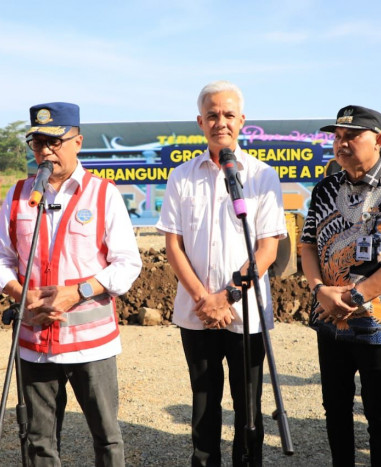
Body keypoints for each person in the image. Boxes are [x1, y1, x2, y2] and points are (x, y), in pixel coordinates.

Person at [0, 102, 141, 466]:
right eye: (38, 143)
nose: (45, 151)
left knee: (106, 438)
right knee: (38, 442)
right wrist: (19, 294)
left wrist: (78, 292)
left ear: (78, 142)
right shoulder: (19, 195)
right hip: (34, 342)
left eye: (55, 142)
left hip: (90, 346)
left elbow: (127, 264)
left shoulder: (103, 194)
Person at [156, 80, 286, 466]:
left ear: (242, 120)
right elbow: (173, 246)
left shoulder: (262, 175)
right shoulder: (181, 176)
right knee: (203, 402)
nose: (220, 122)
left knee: (248, 409)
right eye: (212, 115)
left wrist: (226, 296)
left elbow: (267, 249)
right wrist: (203, 299)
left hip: (245, 313)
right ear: (200, 121)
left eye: (228, 114)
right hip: (196, 314)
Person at [300, 105, 381, 466]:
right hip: (329, 319)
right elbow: (307, 244)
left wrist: (355, 297)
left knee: (380, 413)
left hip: (378, 325)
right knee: (335, 409)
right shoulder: (325, 188)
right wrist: (319, 290)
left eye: (351, 136)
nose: (341, 143)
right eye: (337, 136)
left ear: (378, 140)